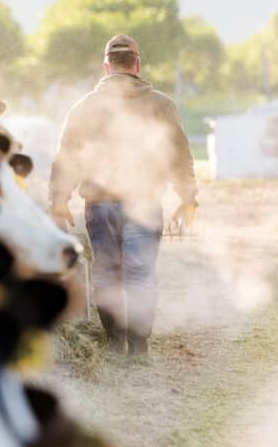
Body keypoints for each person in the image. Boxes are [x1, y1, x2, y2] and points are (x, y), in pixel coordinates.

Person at [49, 34, 198, 356]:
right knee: (140, 273)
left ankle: (115, 343)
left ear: (106, 67)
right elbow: (180, 156)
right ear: (137, 64)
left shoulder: (84, 107)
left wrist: (59, 201)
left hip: (100, 207)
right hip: (143, 203)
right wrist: (187, 198)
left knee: (106, 272)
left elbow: (67, 157)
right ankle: (138, 347)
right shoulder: (161, 104)